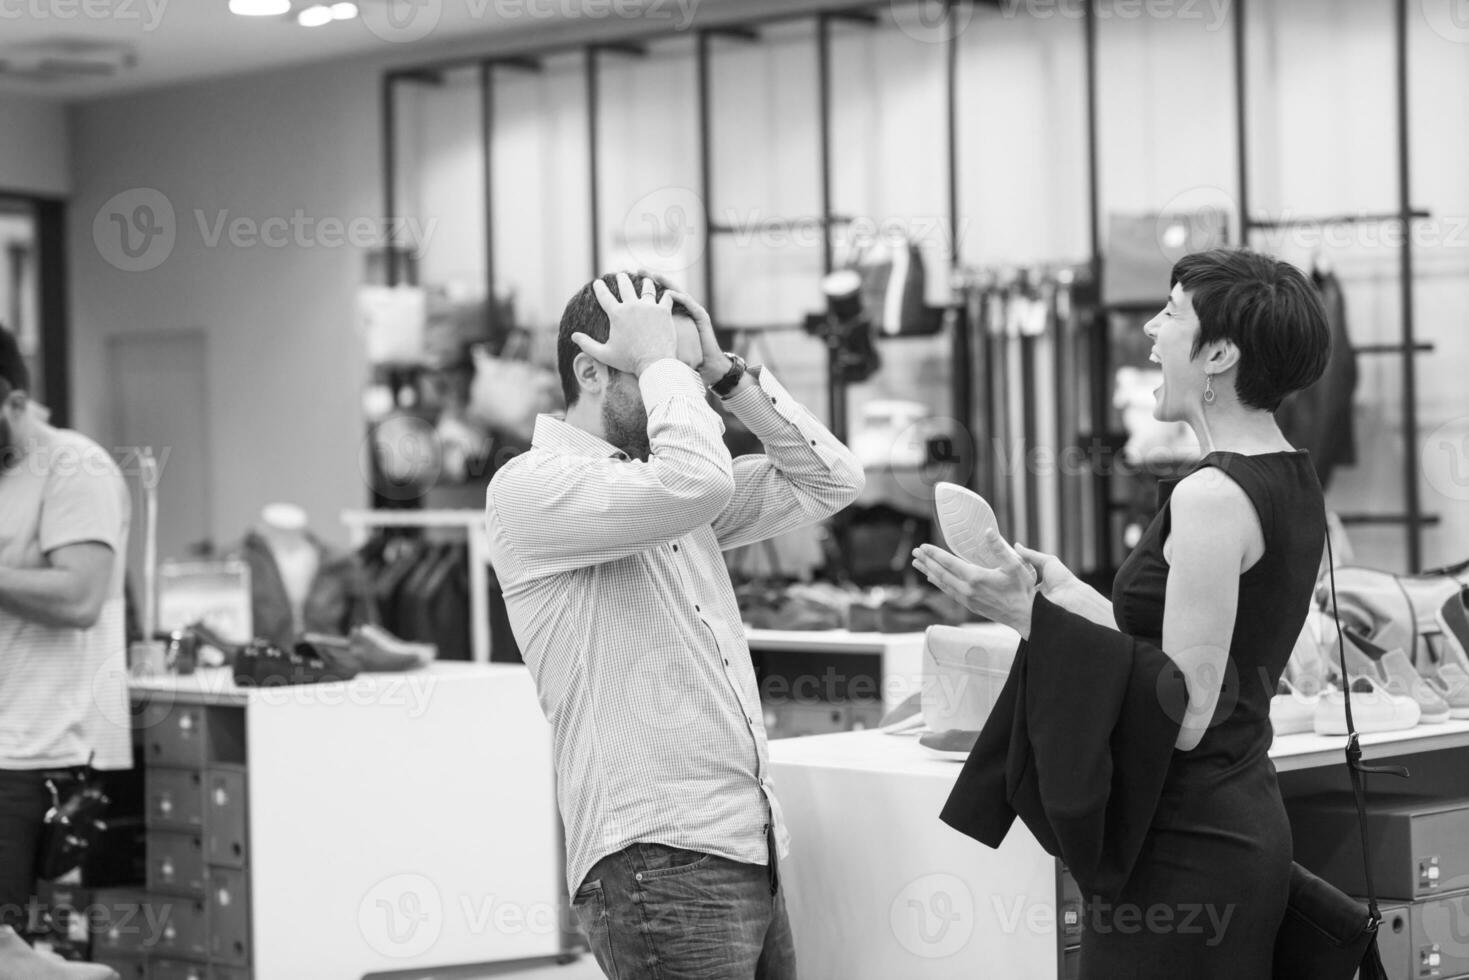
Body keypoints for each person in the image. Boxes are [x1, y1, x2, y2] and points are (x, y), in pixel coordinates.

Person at [915, 248, 1330, 977]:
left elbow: (1189, 708)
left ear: (1221, 353)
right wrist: (1066, 597)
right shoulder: (1286, 472)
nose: (1149, 328)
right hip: (1220, 821)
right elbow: (1184, 649)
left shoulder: (1210, 496)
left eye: (1170, 314)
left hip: (1185, 846)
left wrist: (1032, 623)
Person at [486, 273, 864, 980]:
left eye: (687, 373)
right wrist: (669, 366)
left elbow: (830, 482)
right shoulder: (529, 487)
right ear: (590, 371)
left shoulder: (667, 488)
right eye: (658, 370)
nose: (681, 390)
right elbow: (696, 482)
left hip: (744, 845)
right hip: (656, 859)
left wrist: (725, 375)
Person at [0, 328, 132, 940]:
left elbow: (80, 595)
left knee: (18, 951)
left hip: (34, 756)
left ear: (16, 403)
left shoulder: (73, 468)